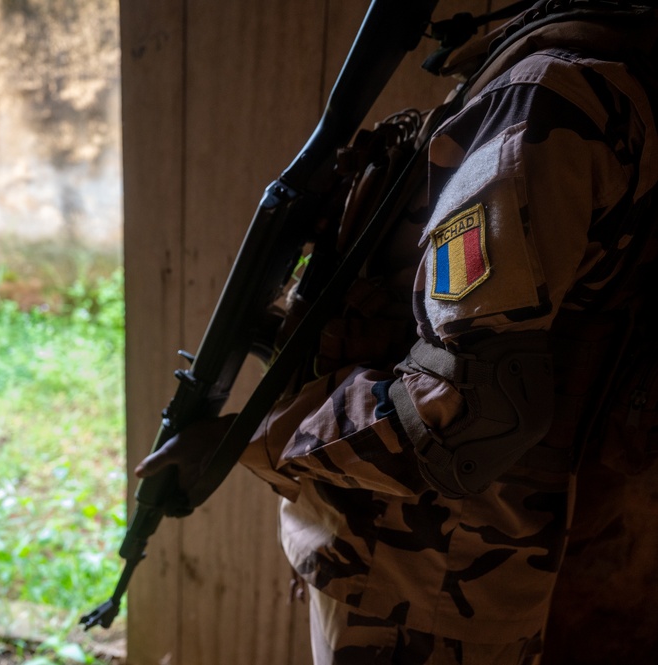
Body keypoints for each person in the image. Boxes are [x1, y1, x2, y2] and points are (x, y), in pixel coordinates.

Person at [136, 2, 658, 663]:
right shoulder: (602, 68)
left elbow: (462, 417)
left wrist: (249, 437)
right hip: (458, 573)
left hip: (431, 590)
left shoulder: (546, 98)